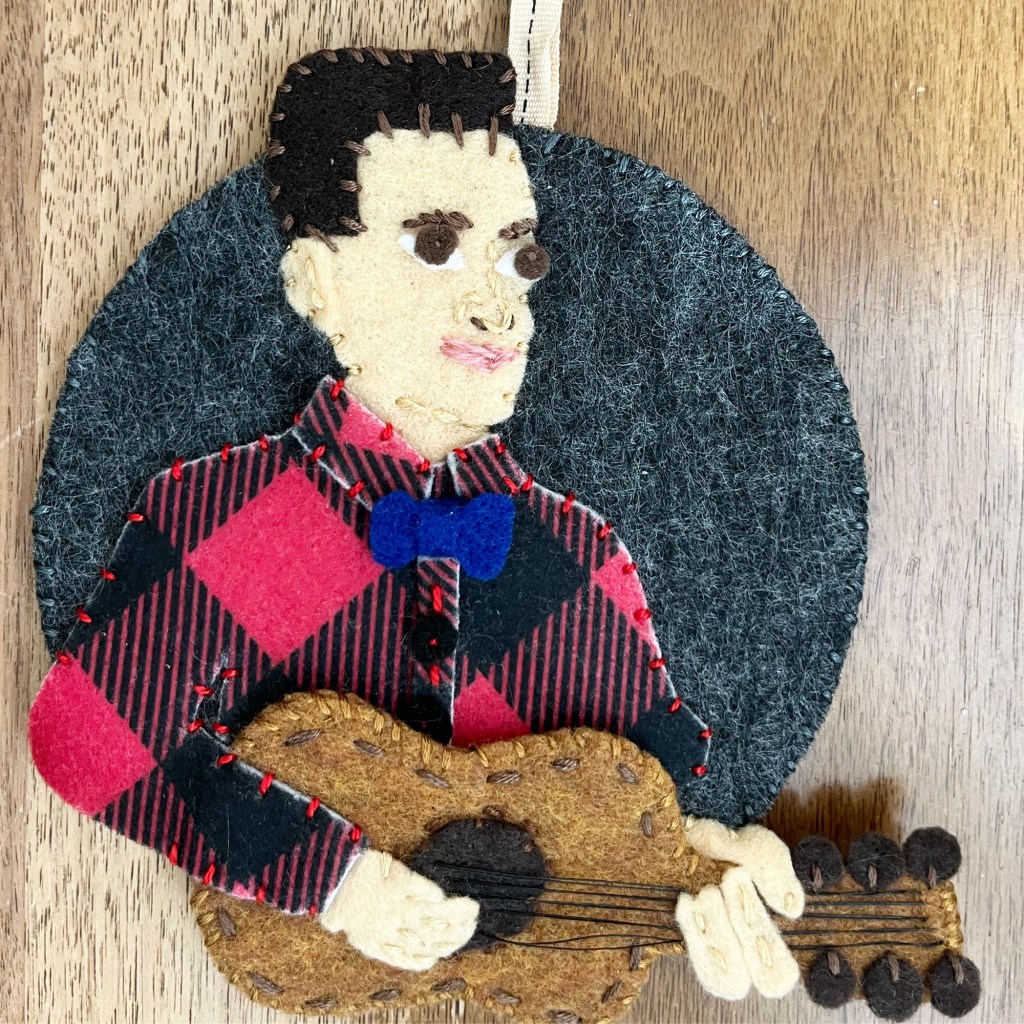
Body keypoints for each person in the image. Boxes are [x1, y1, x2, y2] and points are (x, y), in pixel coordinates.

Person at [29, 48, 802, 1000]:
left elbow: (633, 802)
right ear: (317, 283)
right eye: (433, 245)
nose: (497, 306)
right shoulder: (232, 515)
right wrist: (330, 878)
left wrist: (706, 862)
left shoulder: (580, 554)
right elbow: (86, 738)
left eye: (519, 257)